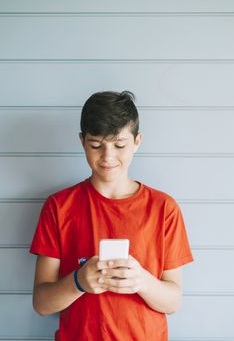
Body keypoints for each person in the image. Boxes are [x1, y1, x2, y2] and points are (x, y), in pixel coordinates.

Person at [30, 90, 194, 341]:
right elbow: (42, 303)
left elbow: (172, 301)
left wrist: (142, 282)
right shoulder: (58, 207)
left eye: (119, 145)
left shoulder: (164, 208)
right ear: (82, 141)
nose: (108, 157)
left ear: (137, 141)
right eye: (96, 145)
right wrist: (79, 282)